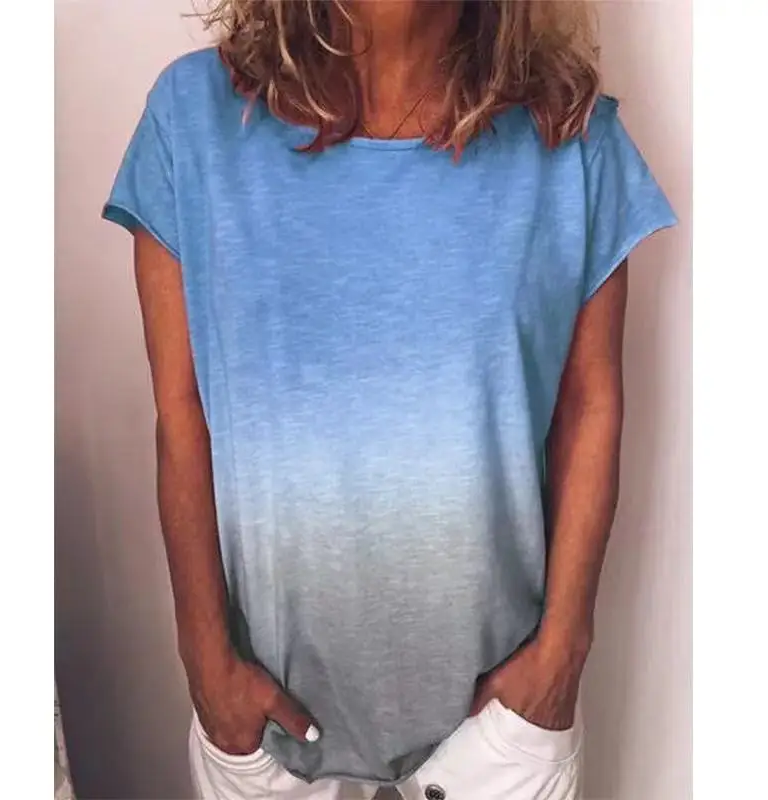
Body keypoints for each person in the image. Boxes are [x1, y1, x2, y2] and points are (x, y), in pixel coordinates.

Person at [102, 1, 676, 798]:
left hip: (499, 730)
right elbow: (182, 410)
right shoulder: (193, 121)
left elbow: (590, 407)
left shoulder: (570, 136)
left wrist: (562, 655)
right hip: (264, 726)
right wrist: (205, 659)